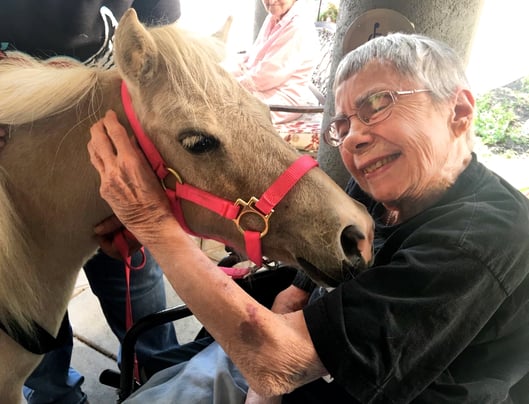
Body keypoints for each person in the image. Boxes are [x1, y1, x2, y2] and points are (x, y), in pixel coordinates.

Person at [87, 33, 529, 403]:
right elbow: (309, 276)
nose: (354, 136)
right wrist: (294, 293)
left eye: (378, 104)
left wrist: (154, 225)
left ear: (459, 112)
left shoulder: (481, 237)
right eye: (343, 124)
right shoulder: (390, 184)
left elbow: (279, 364)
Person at [0, 2, 181, 403]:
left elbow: (166, 69)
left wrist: (147, 214)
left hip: (124, 180)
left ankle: (167, 389)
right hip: (19, 199)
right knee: (35, 346)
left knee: (148, 323)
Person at [224, 0, 320, 124]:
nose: (271, 1)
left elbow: (266, 76)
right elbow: (253, 56)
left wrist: (227, 85)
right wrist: (221, 72)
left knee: (220, 109)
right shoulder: (274, 17)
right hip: (262, 89)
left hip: (282, 101)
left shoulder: (298, 26)